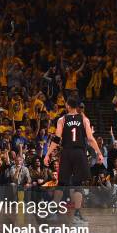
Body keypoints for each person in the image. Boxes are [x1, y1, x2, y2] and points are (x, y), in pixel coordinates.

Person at [44, 96, 104, 224]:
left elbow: (56, 139)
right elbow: (91, 138)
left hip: (66, 152)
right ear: (77, 107)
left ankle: (53, 212)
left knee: (61, 183)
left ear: (67, 106)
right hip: (79, 152)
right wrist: (99, 153)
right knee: (78, 184)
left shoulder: (62, 119)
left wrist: (47, 154)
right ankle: (77, 214)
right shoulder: (84, 119)